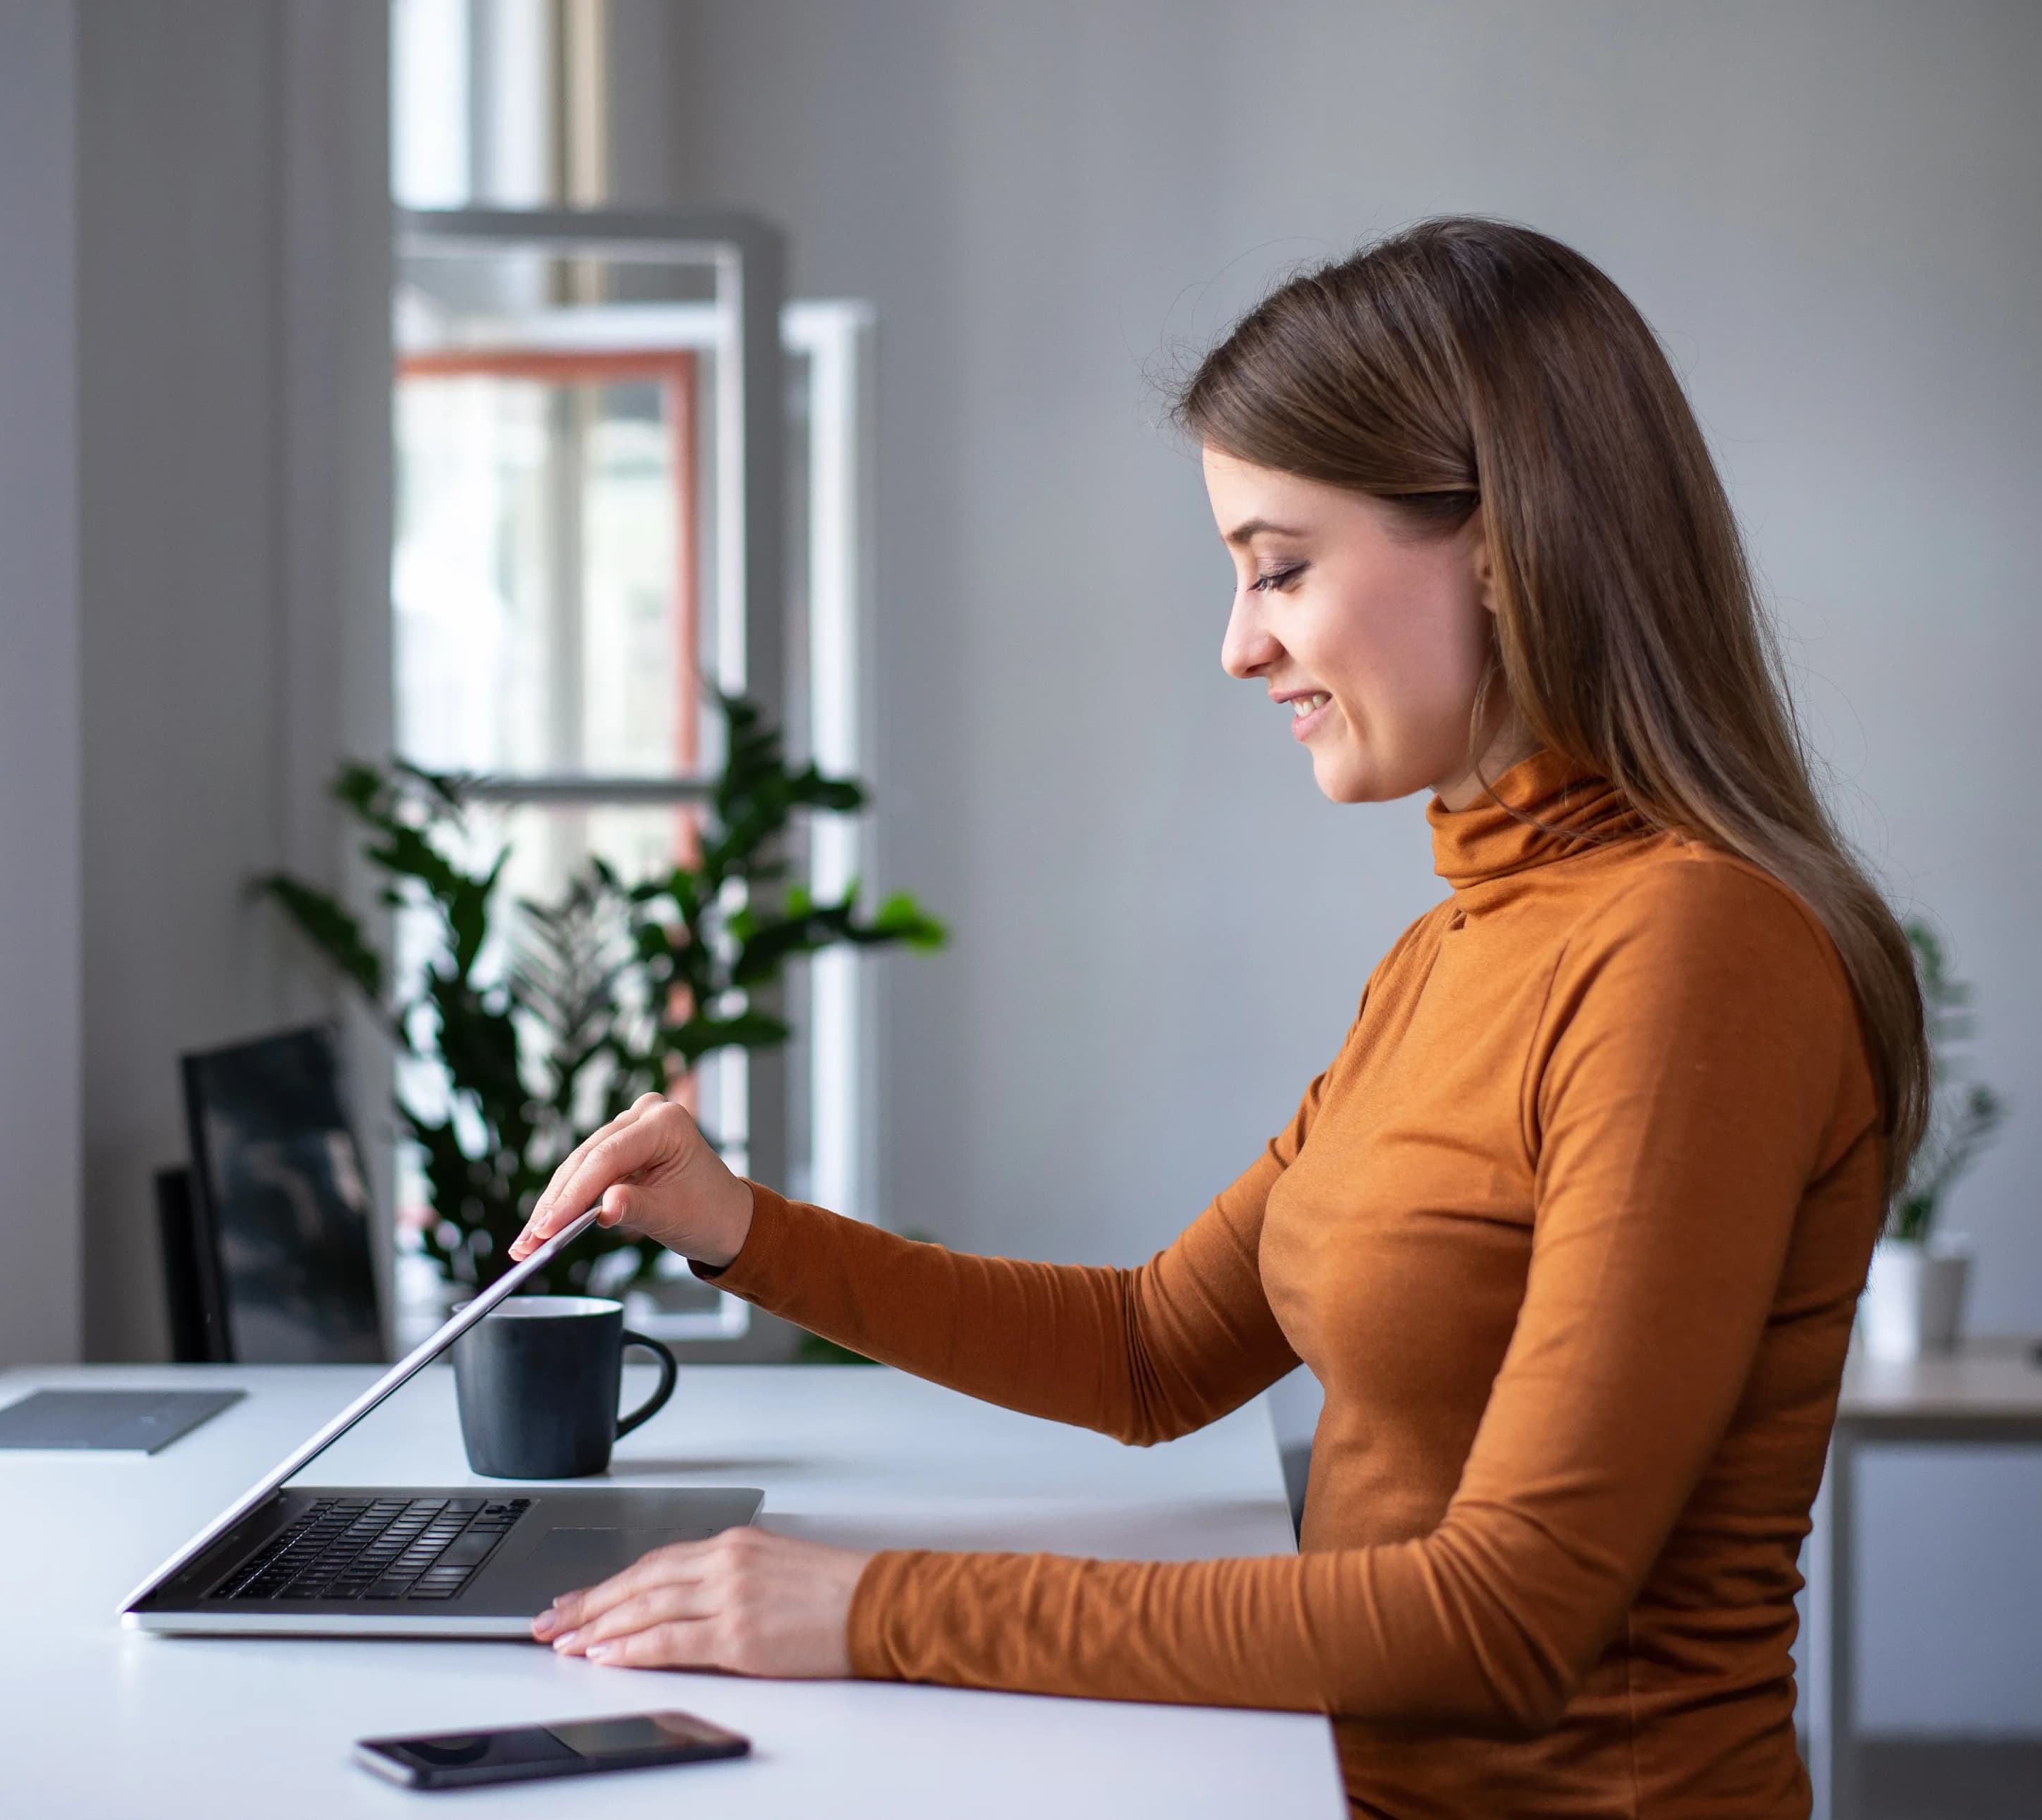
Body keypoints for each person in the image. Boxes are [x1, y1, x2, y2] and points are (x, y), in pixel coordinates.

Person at [504, 218, 1926, 1820]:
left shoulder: (1696, 955)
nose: (1241, 642)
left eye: (1283, 565)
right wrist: (739, 1225)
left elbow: (1510, 1612)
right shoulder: (1457, 950)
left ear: (1500, 542)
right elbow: (1152, 1348)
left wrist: (868, 1609)